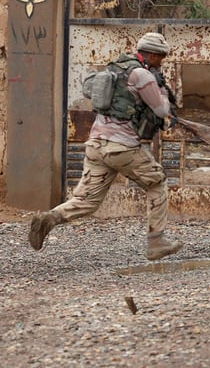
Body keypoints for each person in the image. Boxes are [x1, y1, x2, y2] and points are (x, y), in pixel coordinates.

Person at [28, 32, 183, 261]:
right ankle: (156, 241)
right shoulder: (142, 75)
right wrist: (162, 91)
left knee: (87, 201)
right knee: (157, 182)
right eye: (161, 57)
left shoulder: (114, 70)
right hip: (123, 148)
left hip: (96, 145)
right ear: (151, 54)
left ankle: (49, 218)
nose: (162, 61)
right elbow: (161, 110)